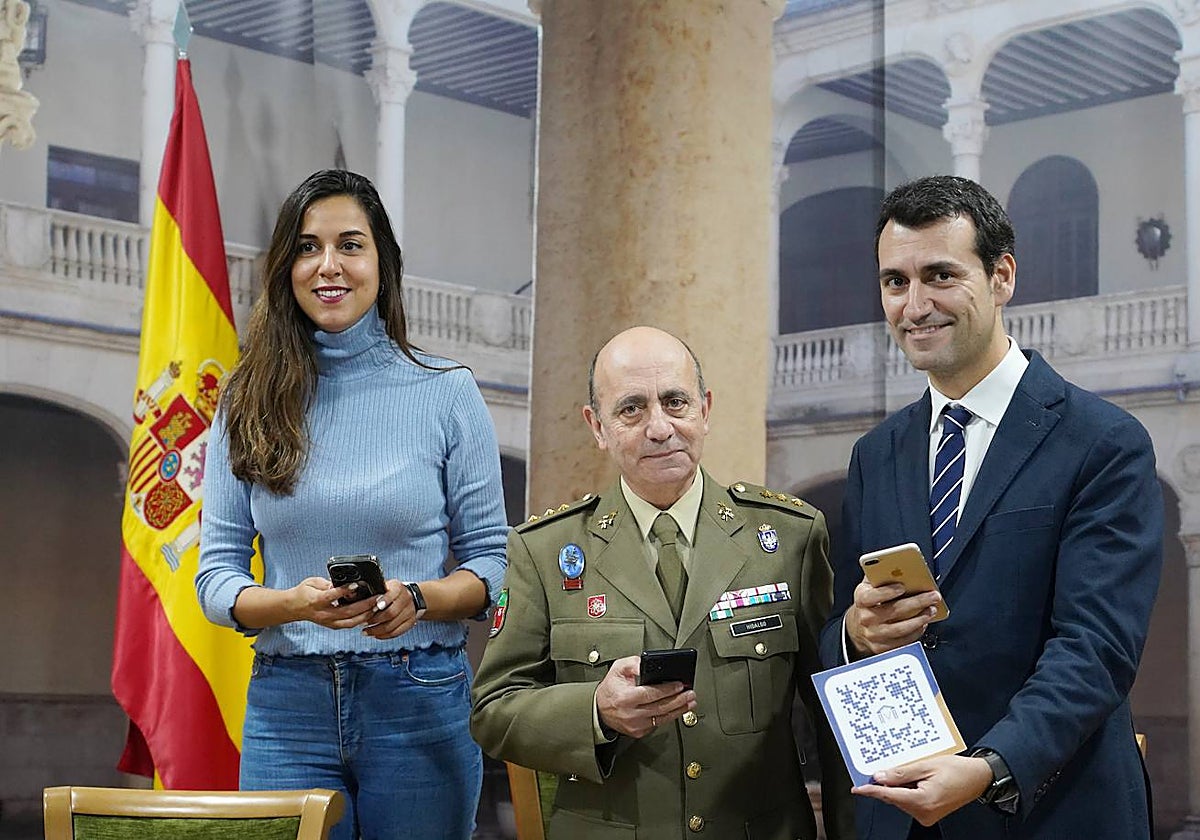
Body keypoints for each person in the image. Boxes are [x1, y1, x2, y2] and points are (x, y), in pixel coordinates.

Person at [819, 175, 1163, 839]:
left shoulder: (1103, 442)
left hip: (1050, 811)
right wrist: (857, 635)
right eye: (895, 281)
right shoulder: (875, 455)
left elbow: (1096, 647)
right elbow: (844, 621)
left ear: (1002, 276)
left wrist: (989, 767)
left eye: (940, 275)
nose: (914, 305)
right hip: (901, 816)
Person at [195, 169, 508, 840]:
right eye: (308, 247)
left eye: (350, 244)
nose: (327, 265)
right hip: (287, 704)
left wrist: (418, 599)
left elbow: (493, 567)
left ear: (383, 265)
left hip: (420, 695)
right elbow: (216, 578)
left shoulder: (448, 392)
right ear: (286, 268)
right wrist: (291, 604)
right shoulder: (243, 400)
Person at [470, 325, 854, 840]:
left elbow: (834, 708)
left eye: (676, 402)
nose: (660, 427)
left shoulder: (790, 538)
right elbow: (494, 710)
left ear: (705, 409)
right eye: (631, 409)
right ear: (597, 426)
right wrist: (595, 712)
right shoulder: (544, 551)